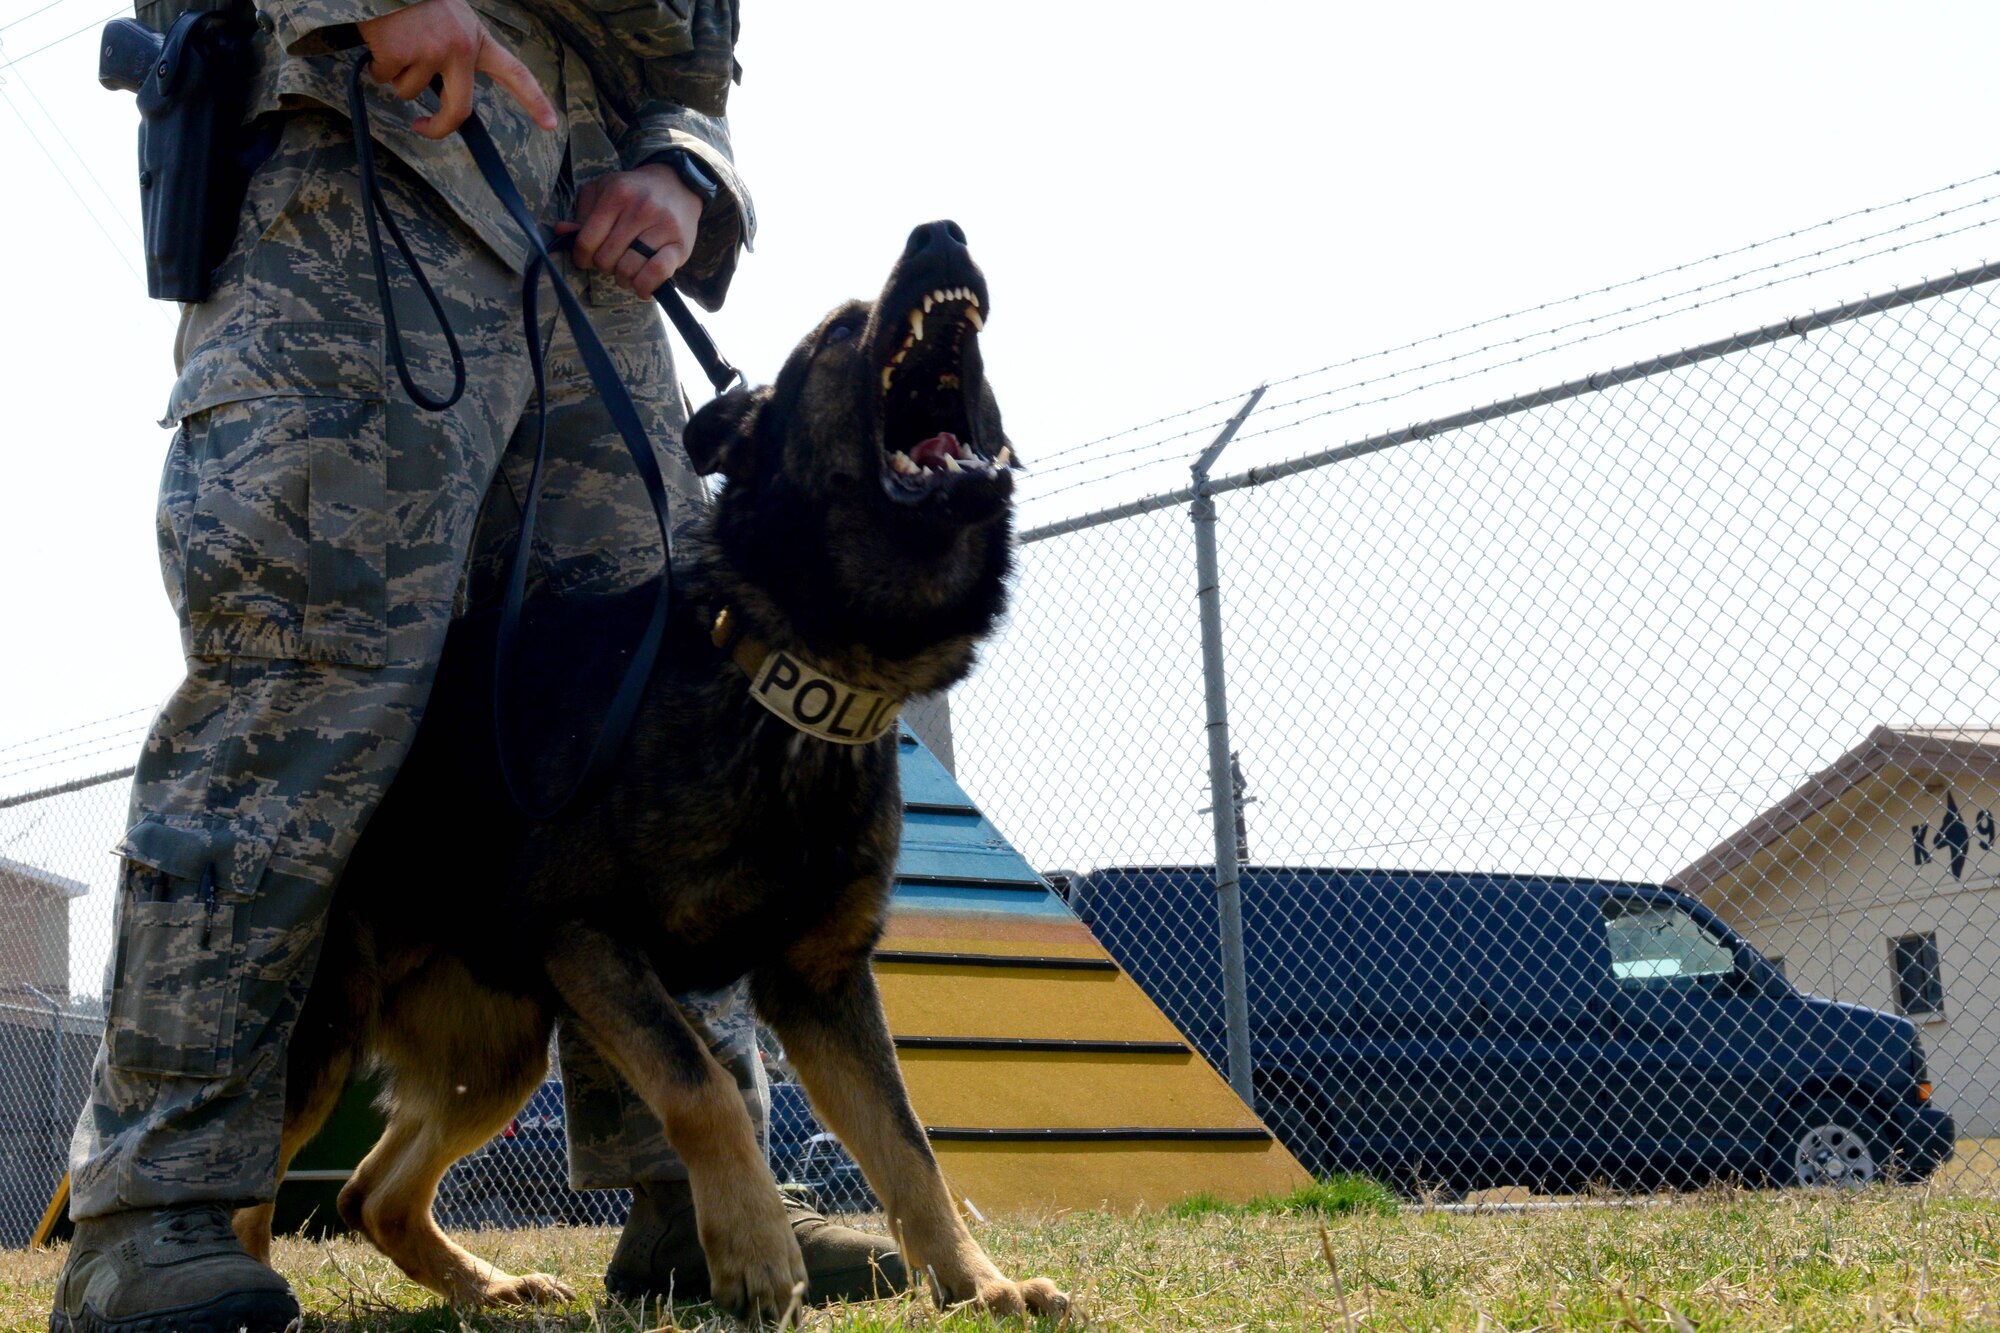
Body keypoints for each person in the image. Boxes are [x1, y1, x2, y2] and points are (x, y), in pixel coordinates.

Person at [52, 1, 904, 1328]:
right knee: (301, 678)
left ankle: (683, 1201)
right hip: (363, 155)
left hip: (602, 261)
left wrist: (682, 169)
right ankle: (153, 1213)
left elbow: (695, 63)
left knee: (661, 711)